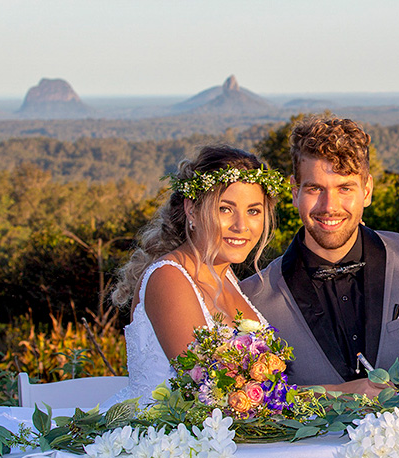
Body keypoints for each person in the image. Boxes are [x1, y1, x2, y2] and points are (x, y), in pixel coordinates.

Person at [241, 116, 399, 396]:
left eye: (345, 188)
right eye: (315, 189)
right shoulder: (253, 297)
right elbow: (255, 408)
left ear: (367, 190)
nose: (329, 206)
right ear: (294, 191)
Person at [104, 145, 286, 406]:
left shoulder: (228, 279)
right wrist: (330, 392)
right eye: (225, 209)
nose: (241, 225)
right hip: (167, 440)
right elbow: (209, 391)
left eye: (253, 211)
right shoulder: (169, 280)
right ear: (192, 210)